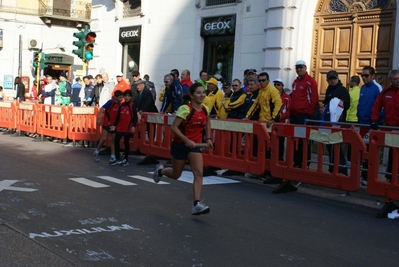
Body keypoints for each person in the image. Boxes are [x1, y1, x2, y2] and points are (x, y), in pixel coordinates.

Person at [153, 83, 214, 215]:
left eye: (203, 92)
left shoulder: (204, 109)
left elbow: (207, 122)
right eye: (198, 93)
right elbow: (174, 127)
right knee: (176, 174)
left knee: (199, 172)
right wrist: (187, 140)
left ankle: (196, 204)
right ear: (191, 95)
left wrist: (208, 138)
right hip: (180, 145)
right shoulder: (185, 109)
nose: (202, 95)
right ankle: (161, 171)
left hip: (195, 146)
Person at [371, 69, 399, 183]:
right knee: (393, 152)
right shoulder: (385, 92)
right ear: (390, 80)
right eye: (395, 79)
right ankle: (390, 176)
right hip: (390, 128)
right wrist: (374, 120)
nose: (398, 81)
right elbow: (377, 105)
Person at [290, 60, 319, 168]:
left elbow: (314, 99)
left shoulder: (310, 81)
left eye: (301, 67)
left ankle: (304, 162)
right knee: (295, 139)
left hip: (303, 115)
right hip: (294, 115)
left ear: (305, 68)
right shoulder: (295, 82)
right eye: (297, 67)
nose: (299, 69)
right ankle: (297, 161)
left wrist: (308, 113)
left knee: (304, 140)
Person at [321, 70, 350, 175]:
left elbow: (347, 104)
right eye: (330, 79)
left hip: (338, 123)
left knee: (337, 146)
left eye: (334, 78)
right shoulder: (329, 89)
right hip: (328, 122)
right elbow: (326, 102)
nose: (332, 81)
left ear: (338, 78)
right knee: (330, 146)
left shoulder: (342, 90)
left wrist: (337, 103)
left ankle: (342, 170)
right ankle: (332, 168)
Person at [357, 66, 381, 186]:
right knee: (363, 150)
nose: (364, 78)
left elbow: (380, 106)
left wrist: (376, 121)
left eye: (366, 75)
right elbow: (361, 104)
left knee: (371, 152)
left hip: (371, 125)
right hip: (362, 123)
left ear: (373, 76)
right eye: (362, 76)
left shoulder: (377, 88)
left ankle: (369, 177)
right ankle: (363, 175)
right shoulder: (362, 88)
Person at [94, 90, 124, 165]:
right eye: (120, 97)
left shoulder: (120, 105)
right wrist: (99, 118)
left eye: (122, 97)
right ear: (116, 97)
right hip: (107, 122)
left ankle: (113, 156)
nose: (121, 99)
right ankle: (97, 151)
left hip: (114, 124)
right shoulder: (111, 102)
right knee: (104, 138)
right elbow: (102, 108)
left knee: (113, 140)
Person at [134, 79, 159, 165]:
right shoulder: (138, 93)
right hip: (144, 114)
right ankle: (146, 150)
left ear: (143, 85)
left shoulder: (147, 92)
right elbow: (135, 102)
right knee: (146, 133)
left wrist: (142, 111)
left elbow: (148, 103)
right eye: (137, 86)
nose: (138, 87)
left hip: (151, 114)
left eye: (139, 85)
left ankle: (151, 152)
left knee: (151, 133)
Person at [112, 90, 138, 166]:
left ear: (131, 97)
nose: (126, 97)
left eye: (128, 96)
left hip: (128, 127)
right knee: (116, 141)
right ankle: (118, 158)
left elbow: (135, 117)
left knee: (126, 143)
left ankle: (126, 159)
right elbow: (118, 117)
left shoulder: (132, 105)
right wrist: (114, 125)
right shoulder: (121, 105)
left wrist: (134, 126)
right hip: (120, 127)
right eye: (125, 96)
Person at [273, 78, 291, 164]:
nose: (276, 86)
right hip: (271, 123)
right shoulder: (271, 95)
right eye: (275, 84)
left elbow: (288, 111)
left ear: (282, 86)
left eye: (278, 84)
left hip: (281, 123)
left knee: (280, 143)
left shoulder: (286, 98)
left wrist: (280, 116)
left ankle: (279, 161)